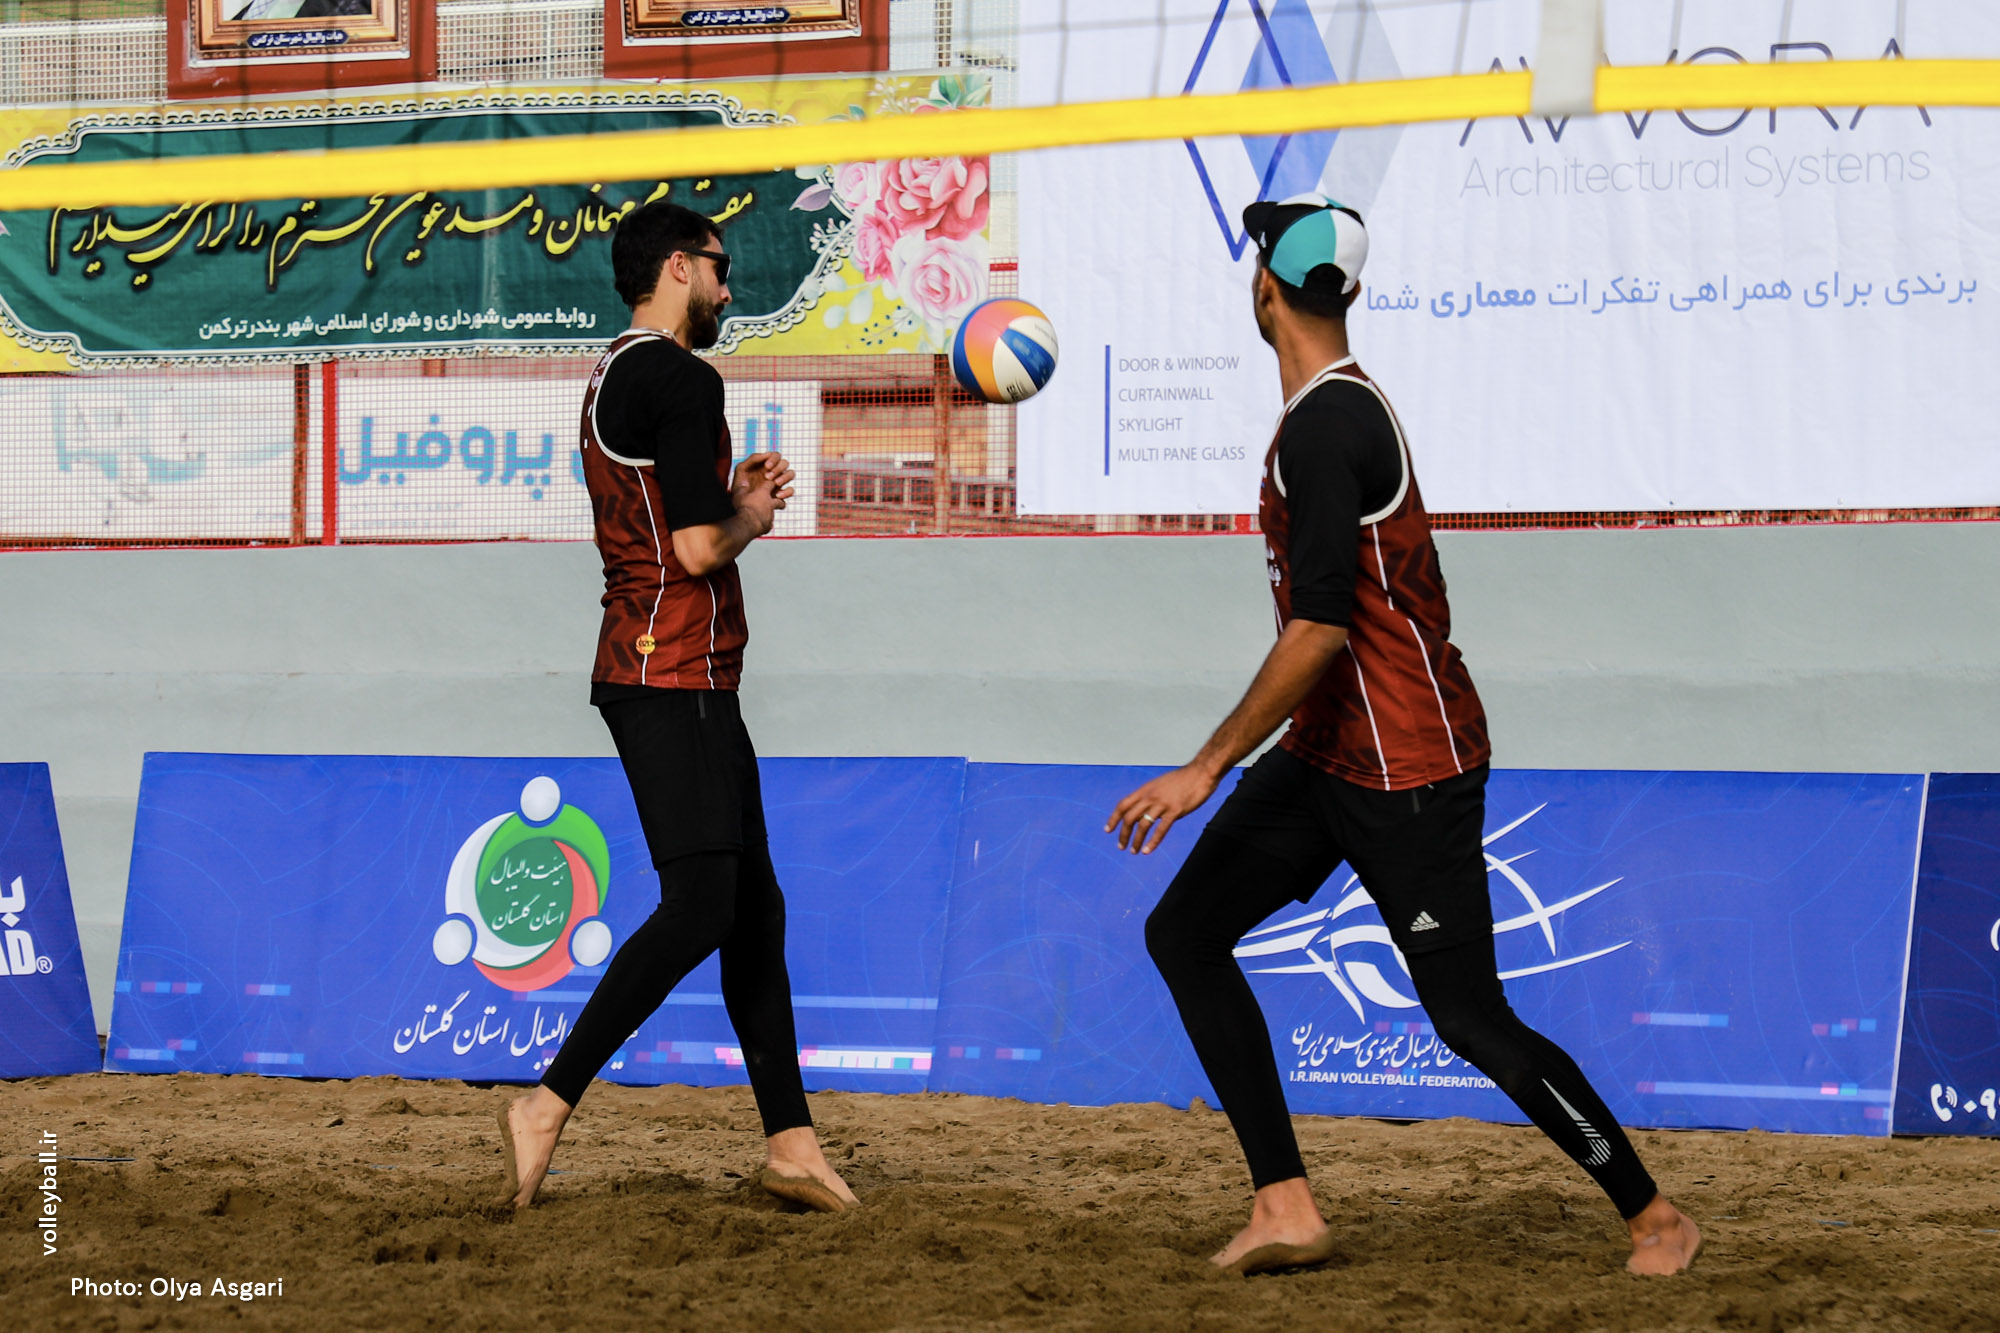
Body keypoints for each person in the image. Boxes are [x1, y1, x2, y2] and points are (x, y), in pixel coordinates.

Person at [1105, 194, 1698, 1278]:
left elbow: (1320, 629)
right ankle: (1284, 1204)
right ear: (1349, 293)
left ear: (1264, 289)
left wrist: (1204, 766)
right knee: (1184, 932)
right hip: (1328, 753)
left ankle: (1655, 1215)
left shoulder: (1329, 424)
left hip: (1406, 768)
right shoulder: (1327, 412)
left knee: (1468, 1018)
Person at [496, 200, 857, 1215]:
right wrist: (752, 513)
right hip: (673, 671)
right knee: (703, 903)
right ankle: (545, 1105)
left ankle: (790, 1144)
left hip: (666, 666)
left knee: (754, 908)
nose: (729, 287)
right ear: (676, 268)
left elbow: (671, 518)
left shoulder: (614, 373)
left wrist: (728, 496)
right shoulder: (683, 376)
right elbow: (697, 548)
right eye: (718, 266)